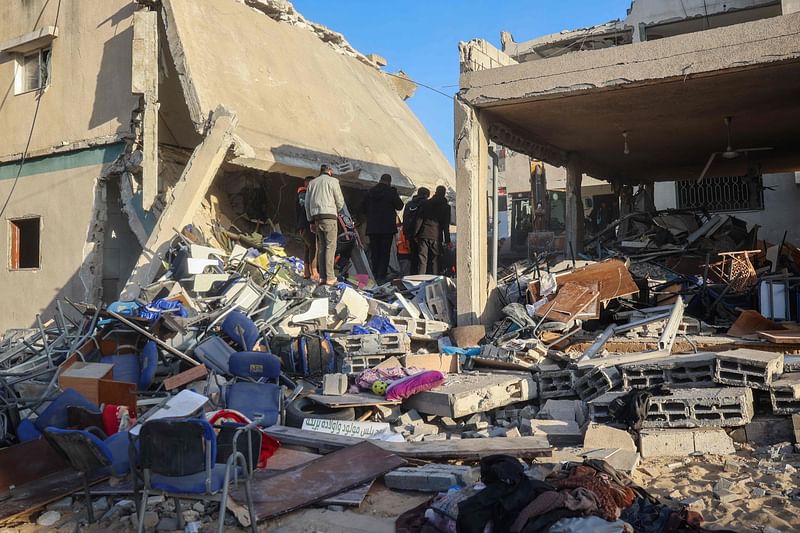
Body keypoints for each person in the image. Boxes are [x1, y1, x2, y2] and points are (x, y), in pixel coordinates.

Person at [305, 164, 346, 285]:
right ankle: (330, 277)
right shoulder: (333, 181)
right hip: (329, 216)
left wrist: (310, 220)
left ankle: (322, 277)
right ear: (330, 171)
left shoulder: (312, 183)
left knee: (322, 247)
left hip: (317, 217)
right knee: (330, 246)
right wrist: (336, 210)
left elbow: (307, 204)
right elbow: (340, 201)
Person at [362, 174, 403, 282]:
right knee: (385, 253)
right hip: (387, 228)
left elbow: (362, 208)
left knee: (375, 252)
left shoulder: (370, 192)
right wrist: (395, 193)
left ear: (380, 180)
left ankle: (374, 274)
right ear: (389, 181)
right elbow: (400, 206)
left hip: (373, 228)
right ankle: (381, 276)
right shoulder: (391, 192)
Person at [415, 185, 451, 275]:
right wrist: (448, 240)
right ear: (444, 194)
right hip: (436, 236)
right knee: (435, 260)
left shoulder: (426, 203)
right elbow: (446, 225)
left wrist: (415, 233)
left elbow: (419, 219)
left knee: (422, 260)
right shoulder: (446, 207)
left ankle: (420, 281)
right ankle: (435, 281)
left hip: (424, 234)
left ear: (435, 192)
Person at [295, 176, 319, 281]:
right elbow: (304, 206)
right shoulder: (303, 194)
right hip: (306, 224)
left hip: (302, 225)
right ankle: (313, 271)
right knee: (314, 246)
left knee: (308, 247)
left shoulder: (303, 194)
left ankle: (306, 272)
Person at [402, 187, 430, 274]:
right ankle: (421, 278)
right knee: (423, 258)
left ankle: (412, 276)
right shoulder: (426, 204)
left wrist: (406, 234)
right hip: (422, 234)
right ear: (426, 195)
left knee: (413, 257)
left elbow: (405, 219)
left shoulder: (409, 204)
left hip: (410, 234)